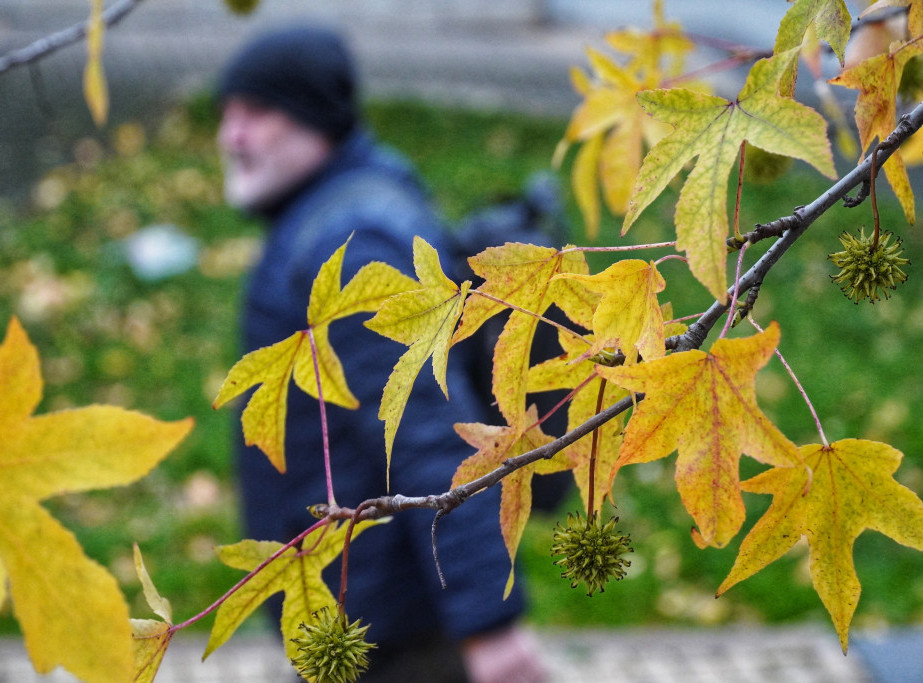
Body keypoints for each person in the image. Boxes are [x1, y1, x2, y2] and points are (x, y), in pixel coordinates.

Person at [216, 25, 547, 683]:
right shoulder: (326, 214)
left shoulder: (353, 242)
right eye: (226, 114)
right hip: (364, 613)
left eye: (256, 113)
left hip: (390, 631)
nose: (232, 136)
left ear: (314, 118)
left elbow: (428, 432)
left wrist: (491, 627)